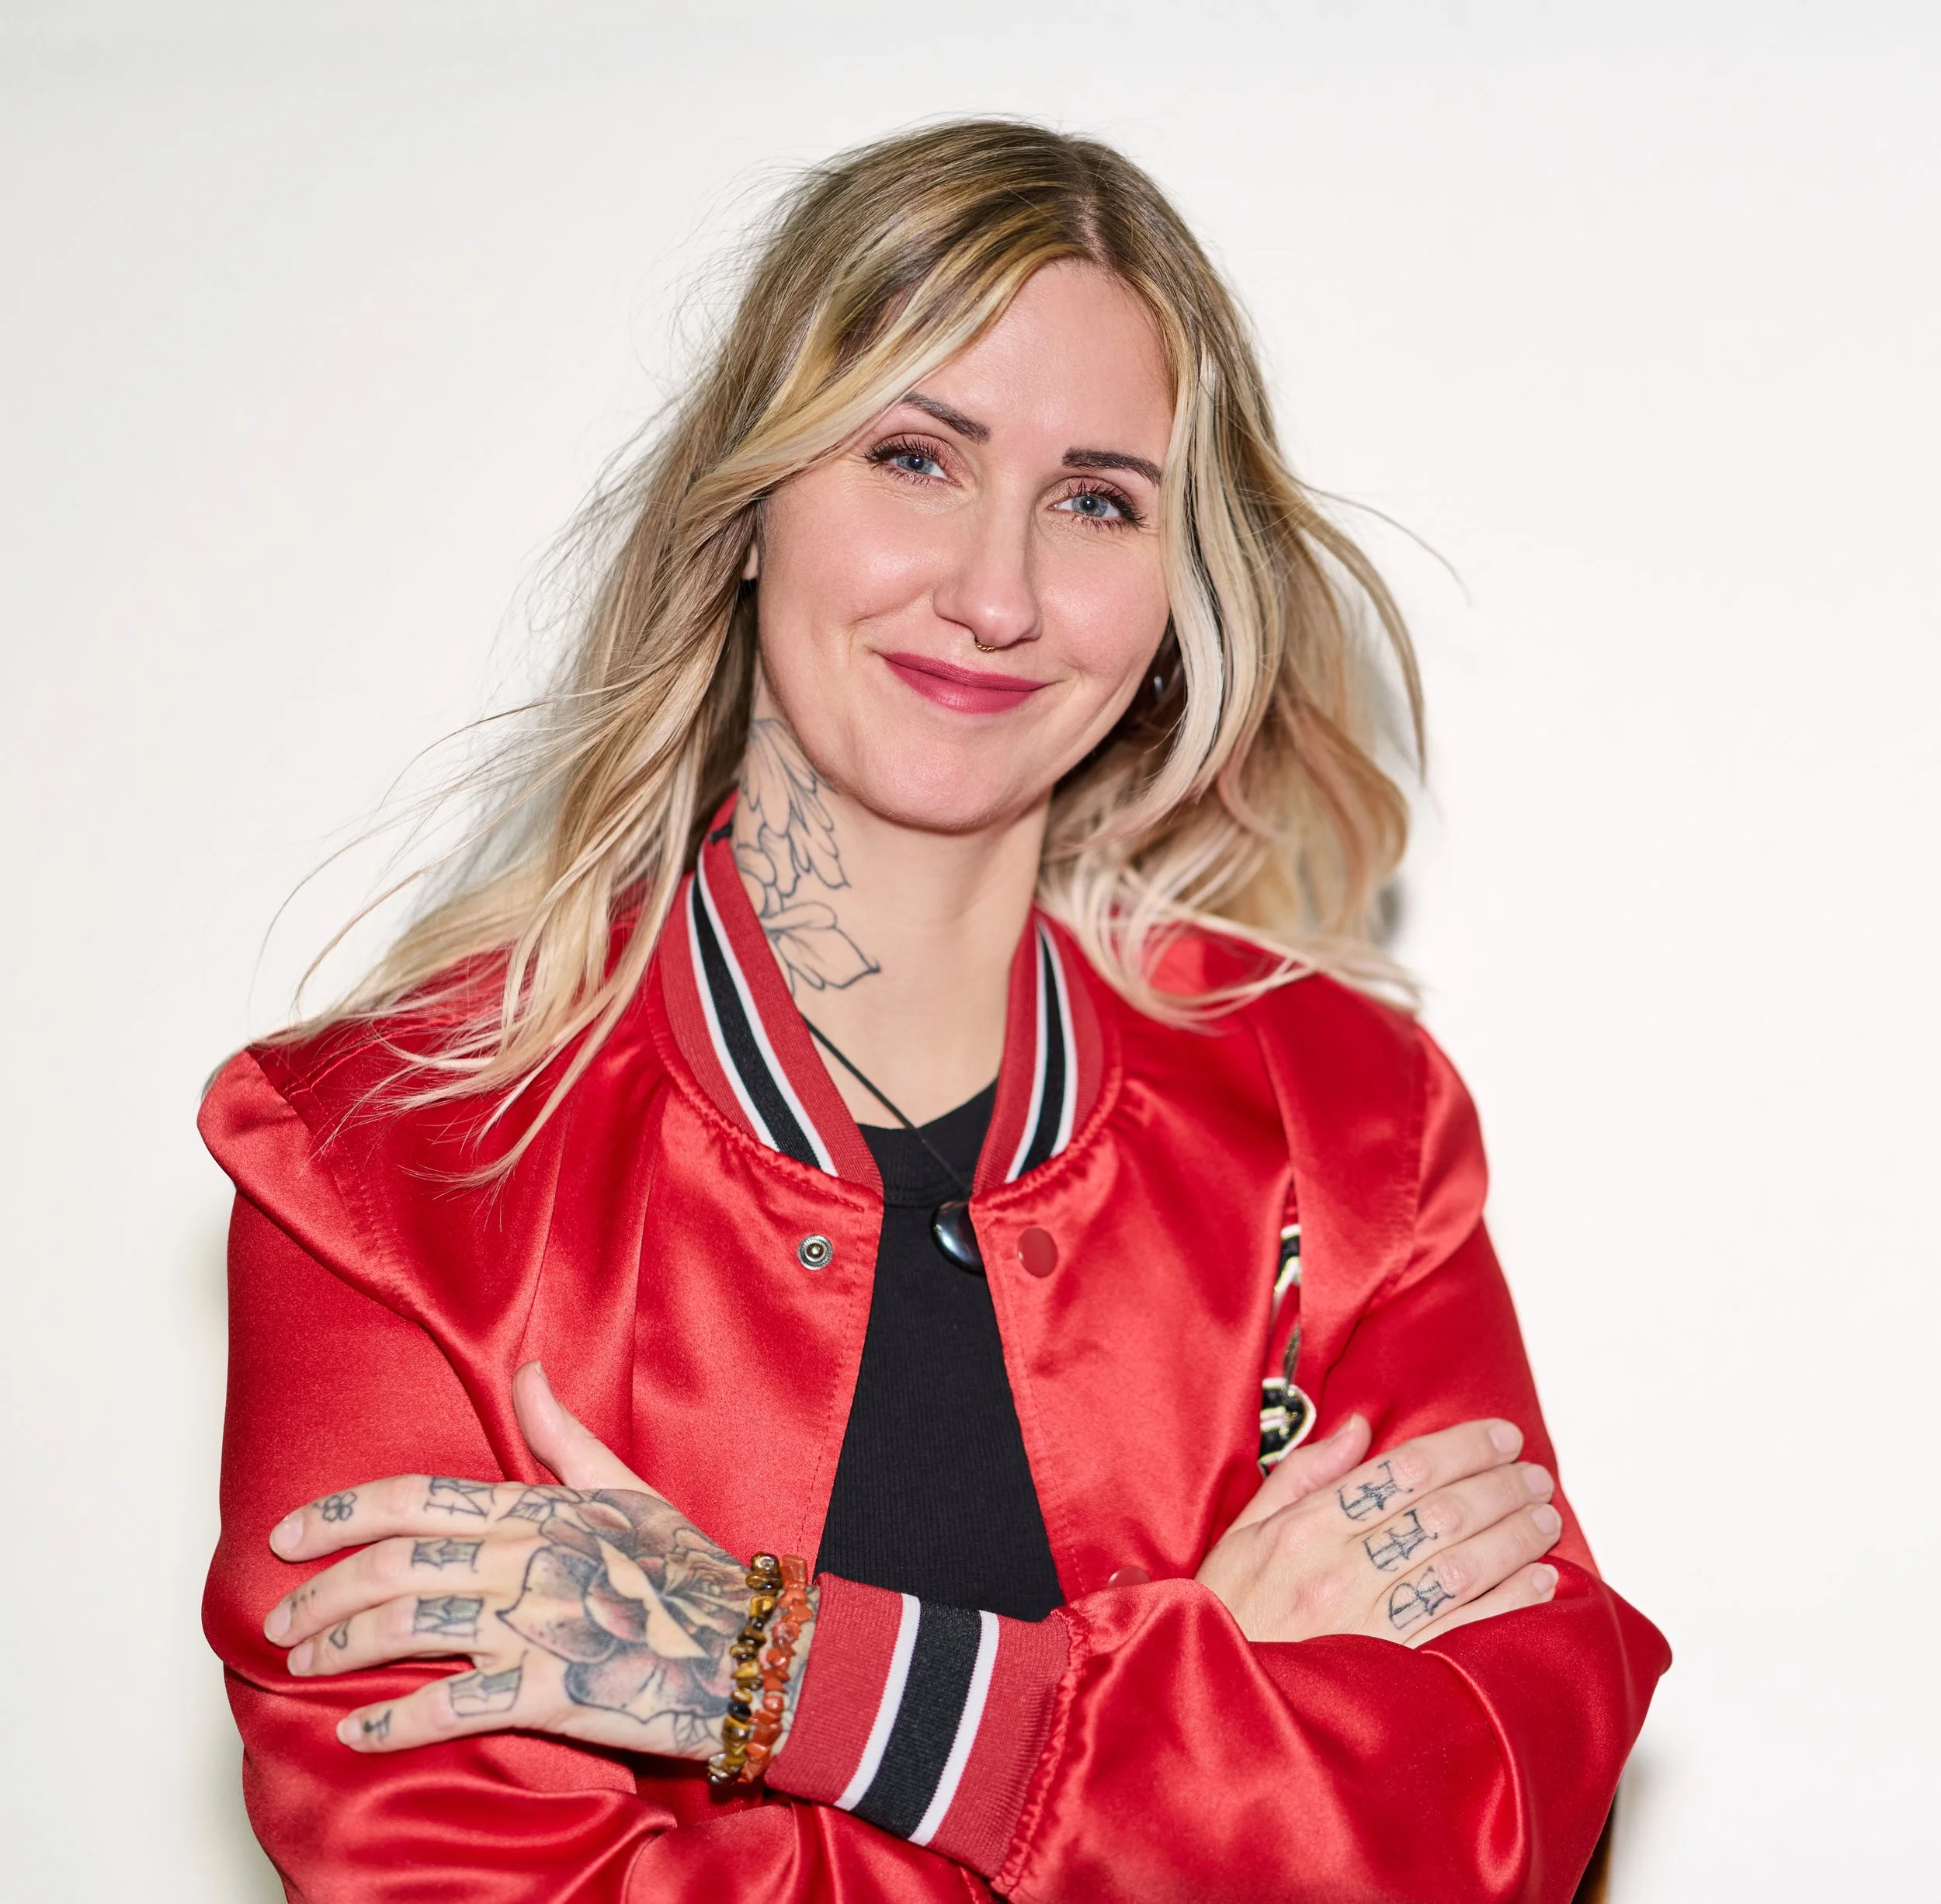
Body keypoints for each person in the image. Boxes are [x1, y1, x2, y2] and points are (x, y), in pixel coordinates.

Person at [201, 120, 1668, 1902]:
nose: (992, 592)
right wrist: (1216, 1723)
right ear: (743, 513)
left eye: (1095, 499)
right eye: (915, 456)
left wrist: (784, 1676)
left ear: (1173, 597)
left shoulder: (1341, 1115)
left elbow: (1491, 1825)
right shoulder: (392, 1157)